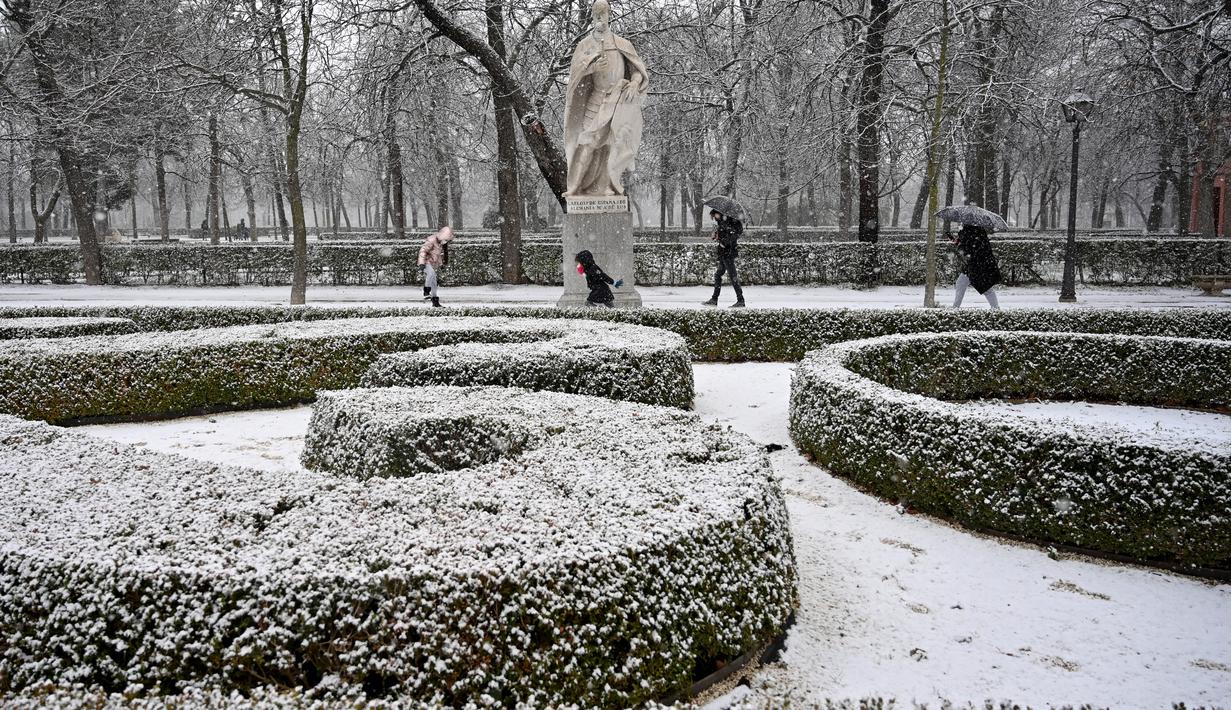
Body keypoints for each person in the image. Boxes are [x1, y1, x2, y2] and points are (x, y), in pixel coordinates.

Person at [951, 224, 1002, 309]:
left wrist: (960, 245)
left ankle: (996, 309)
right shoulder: (975, 231)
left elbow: (968, 249)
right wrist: (957, 242)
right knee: (961, 283)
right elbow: (967, 247)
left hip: (979, 266)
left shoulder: (973, 232)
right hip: (976, 265)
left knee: (986, 288)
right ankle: (955, 308)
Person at [702, 210, 745, 307]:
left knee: (733, 277)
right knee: (718, 275)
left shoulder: (728, 223)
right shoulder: (722, 223)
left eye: (714, 216)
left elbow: (733, 236)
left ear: (718, 213)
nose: (713, 218)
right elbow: (724, 235)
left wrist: (723, 243)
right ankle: (714, 299)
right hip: (723, 254)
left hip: (728, 254)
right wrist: (716, 237)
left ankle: (741, 300)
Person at [418, 226, 455, 308]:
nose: (446, 242)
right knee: (431, 274)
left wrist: (441, 264)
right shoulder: (432, 240)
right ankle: (426, 291)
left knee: (434, 283)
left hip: (432, 264)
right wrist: (421, 263)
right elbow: (423, 250)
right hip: (426, 262)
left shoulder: (439, 243)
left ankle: (435, 302)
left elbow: (437, 256)